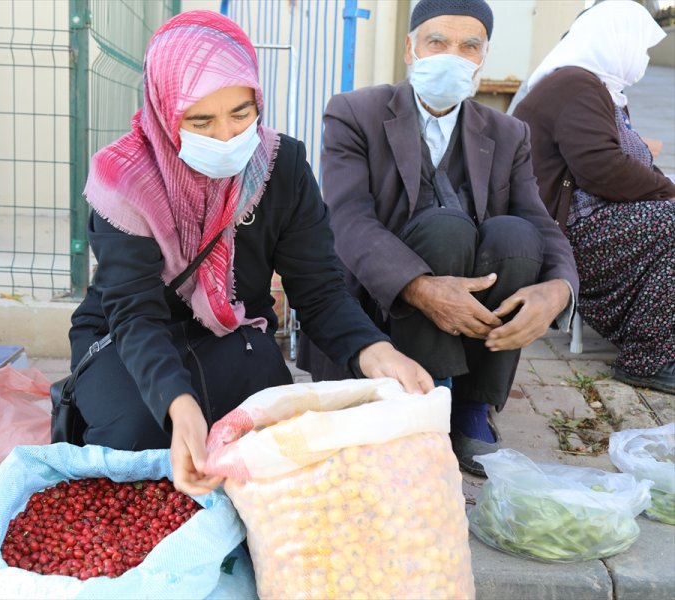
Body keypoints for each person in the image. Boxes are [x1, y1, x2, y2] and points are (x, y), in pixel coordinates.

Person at [67, 10, 433, 495]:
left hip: (230, 329)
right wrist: (179, 405)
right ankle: (87, 406)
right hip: (127, 335)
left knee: (261, 445)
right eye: (200, 120)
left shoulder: (281, 169)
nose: (226, 136)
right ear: (164, 111)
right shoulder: (125, 181)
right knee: (141, 440)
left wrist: (376, 352)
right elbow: (134, 314)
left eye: (241, 114)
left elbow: (320, 291)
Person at [297, 0, 579, 476]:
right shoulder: (354, 112)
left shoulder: (508, 133)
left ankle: (470, 407)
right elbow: (347, 220)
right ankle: (427, 401)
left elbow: (541, 221)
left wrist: (561, 289)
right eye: (437, 42)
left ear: (483, 56)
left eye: (470, 46)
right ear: (410, 49)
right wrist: (421, 287)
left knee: (516, 235)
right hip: (377, 306)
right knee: (445, 227)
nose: (453, 55)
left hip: (471, 294)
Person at [513, 0, 674, 394]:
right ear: (616, 40)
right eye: (641, 45)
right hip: (571, 234)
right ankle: (646, 358)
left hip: (598, 221)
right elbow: (603, 170)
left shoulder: (599, 88)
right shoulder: (575, 85)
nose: (643, 56)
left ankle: (658, 336)